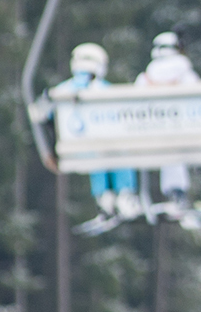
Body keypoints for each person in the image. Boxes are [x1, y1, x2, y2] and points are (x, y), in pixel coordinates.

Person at [140, 30, 201, 206]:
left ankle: (175, 191)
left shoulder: (144, 79)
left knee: (168, 145)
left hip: (157, 138)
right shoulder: (187, 76)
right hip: (193, 135)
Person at [56, 42, 140, 220]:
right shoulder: (103, 88)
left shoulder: (64, 88)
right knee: (119, 153)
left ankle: (104, 197)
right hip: (103, 144)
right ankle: (124, 194)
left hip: (75, 146)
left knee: (98, 157)